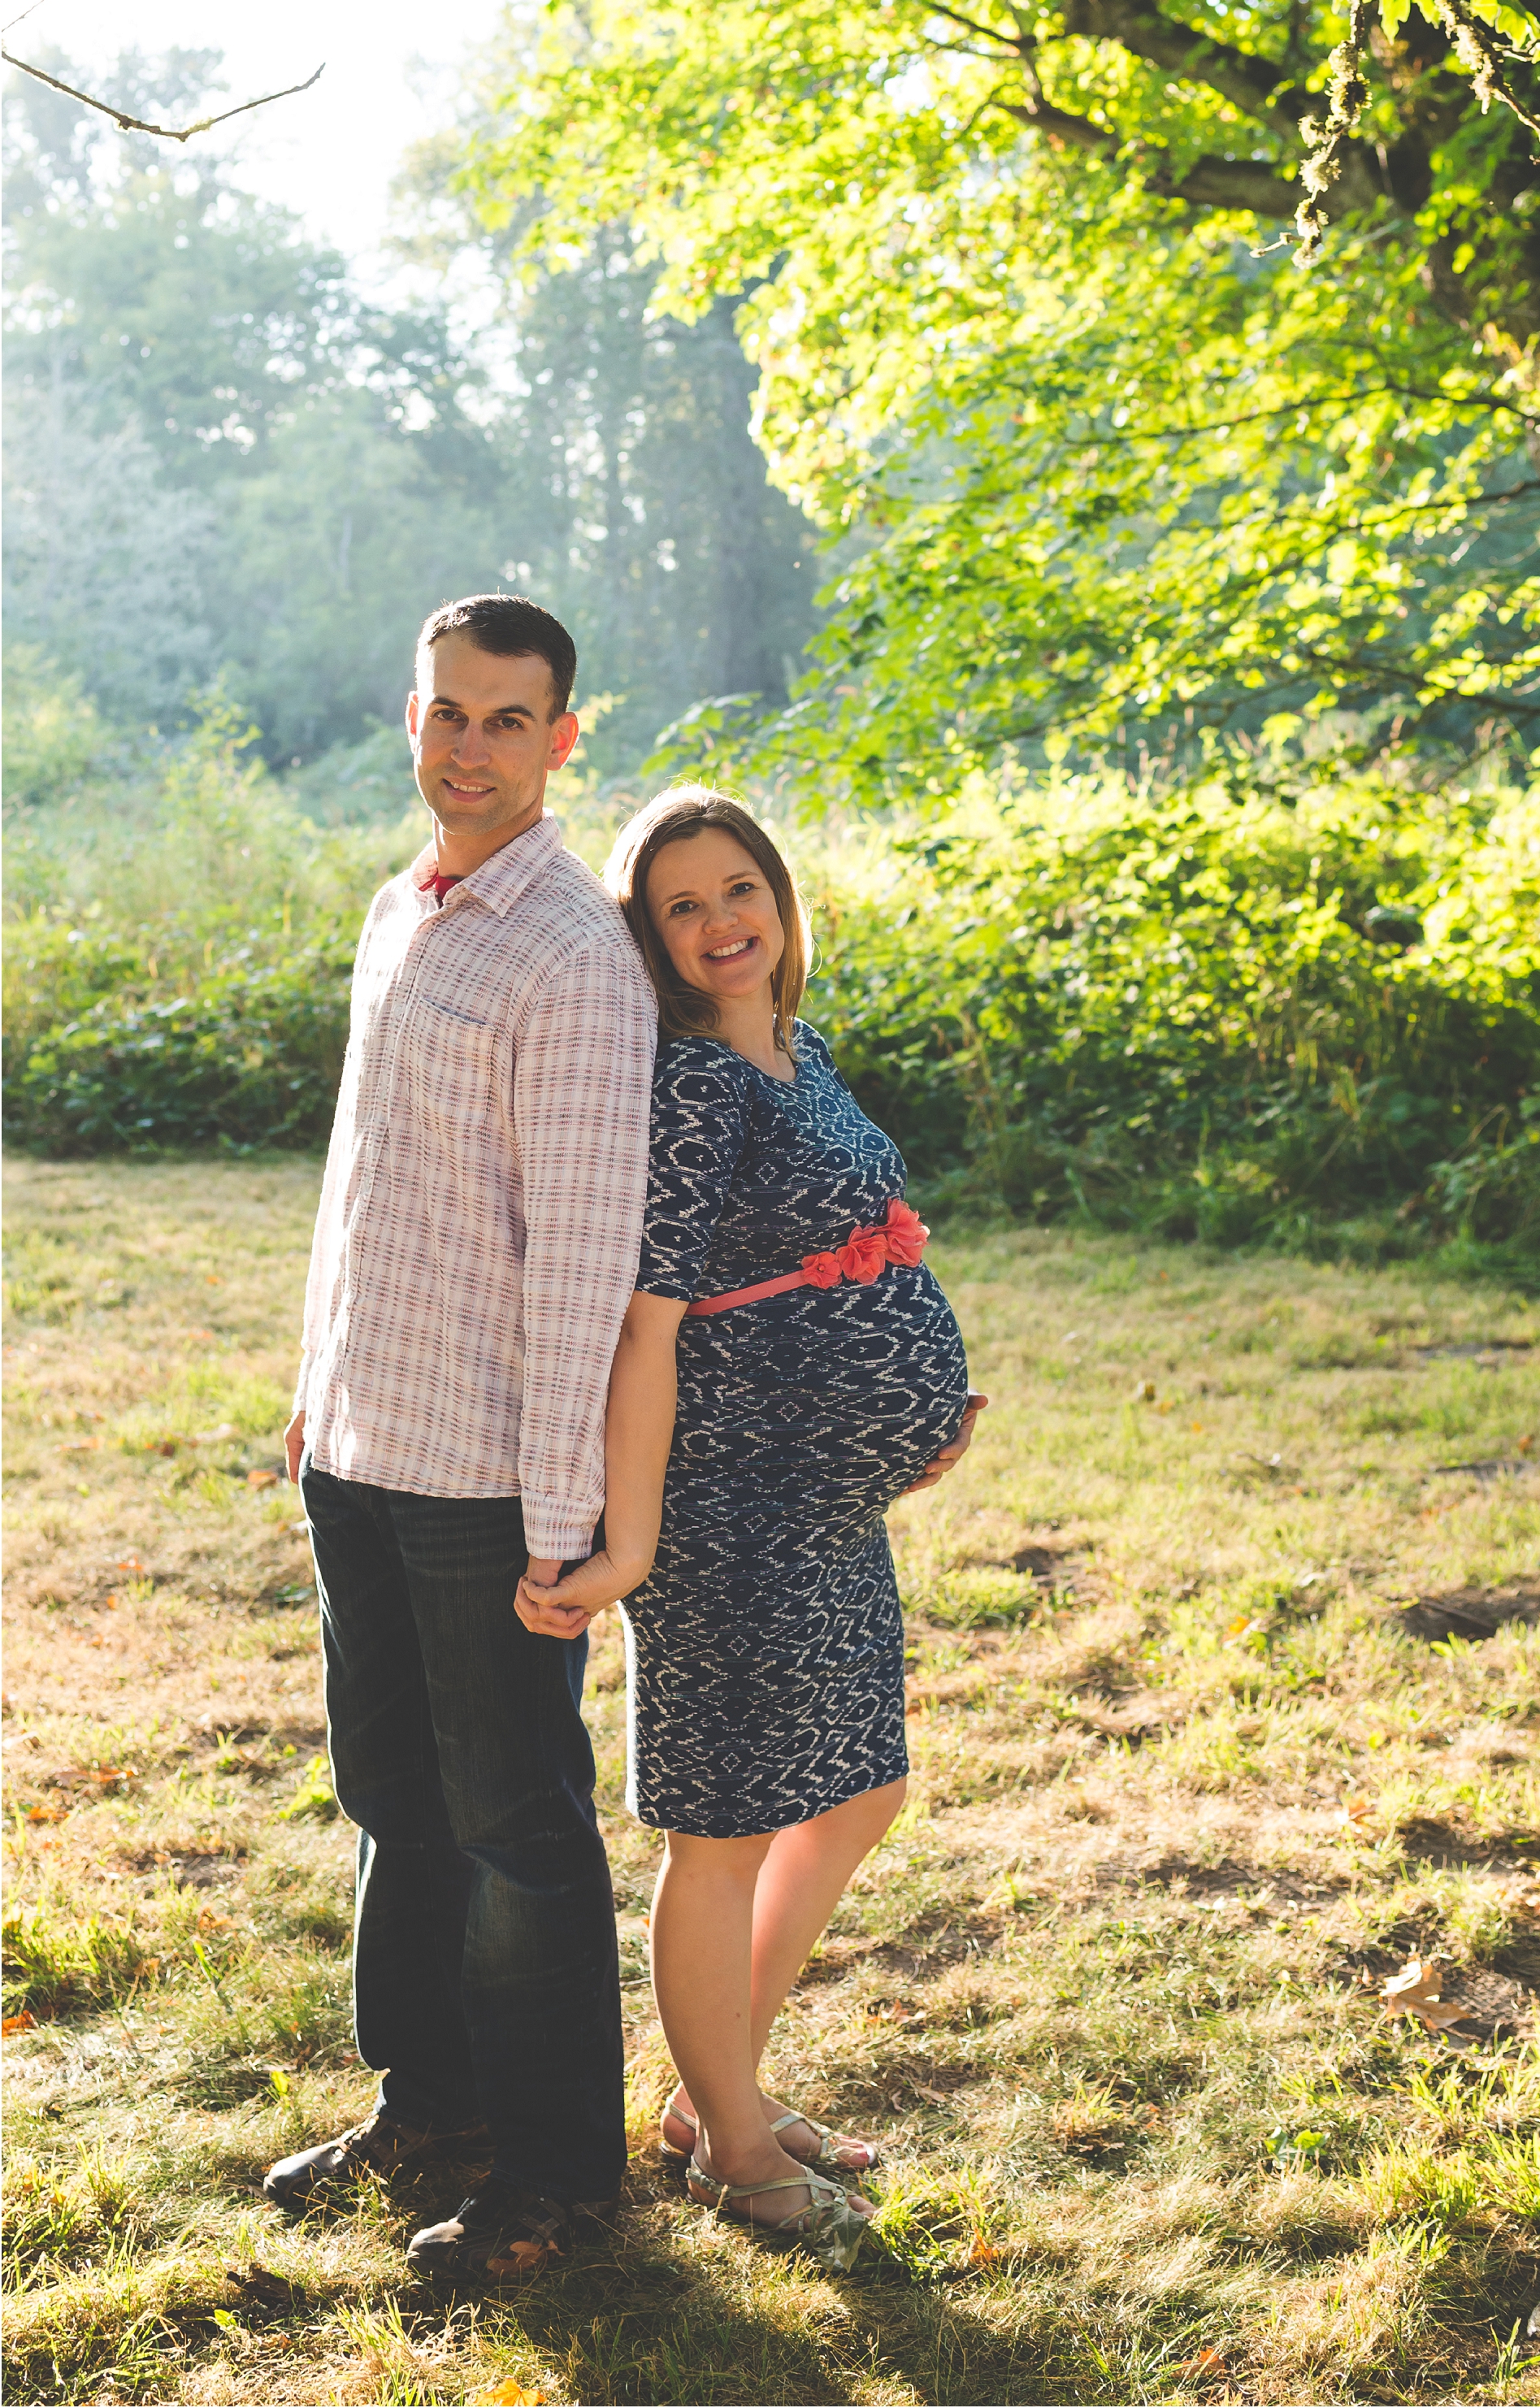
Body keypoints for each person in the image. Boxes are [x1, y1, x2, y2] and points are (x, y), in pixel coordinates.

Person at [517, 787, 985, 2273]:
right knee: (722, 1830)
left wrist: (907, 1403)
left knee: (855, 1794)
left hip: (824, 1494)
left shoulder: (795, 1044)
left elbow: (829, 1256)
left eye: (738, 889)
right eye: (681, 908)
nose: (721, 924)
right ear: (651, 942)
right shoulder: (697, 1086)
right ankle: (727, 2136)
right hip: (729, 1502)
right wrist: (633, 1540)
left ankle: (720, 2087)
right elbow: (645, 1329)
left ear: (779, 895)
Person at [264, 594, 657, 2287]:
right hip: (361, 1439)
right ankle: (431, 2105)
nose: (471, 747)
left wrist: (563, 1516)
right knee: (391, 1802)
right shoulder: (400, 908)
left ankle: (560, 2180)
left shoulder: (571, 952)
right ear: (408, 717)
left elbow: (582, 1261)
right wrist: (313, 1385)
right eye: (447, 713)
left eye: (509, 719)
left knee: (514, 1826)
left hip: (486, 1479)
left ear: (563, 737)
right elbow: (365, 1184)